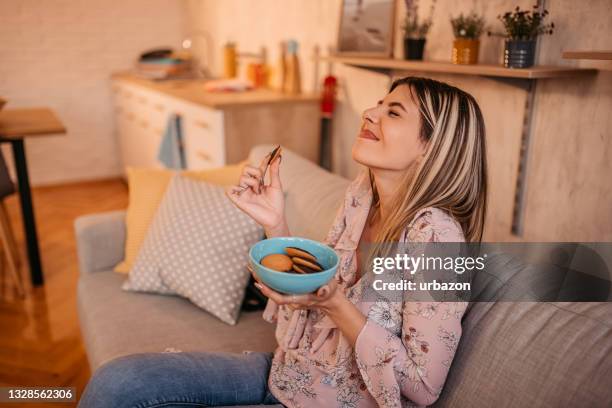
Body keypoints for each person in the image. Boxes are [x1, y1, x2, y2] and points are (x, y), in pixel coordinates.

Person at [79, 76, 487, 408]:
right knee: (121, 381)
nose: (369, 112)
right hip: (285, 375)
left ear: (430, 148)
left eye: (393, 112)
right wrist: (275, 223)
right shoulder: (361, 198)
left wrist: (336, 304)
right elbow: (308, 306)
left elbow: (422, 385)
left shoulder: (437, 237)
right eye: (379, 103)